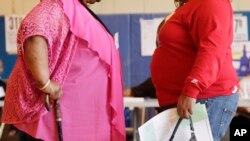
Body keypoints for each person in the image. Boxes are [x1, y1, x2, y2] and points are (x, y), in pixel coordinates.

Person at [1, 0, 126, 141]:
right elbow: (34, 31)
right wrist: (46, 84)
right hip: (58, 122)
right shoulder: (58, 4)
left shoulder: (76, 9)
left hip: (83, 120)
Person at [150, 0, 239, 141]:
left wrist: (192, 89)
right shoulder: (190, 5)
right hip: (192, 99)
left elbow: (212, 50)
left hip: (204, 98)